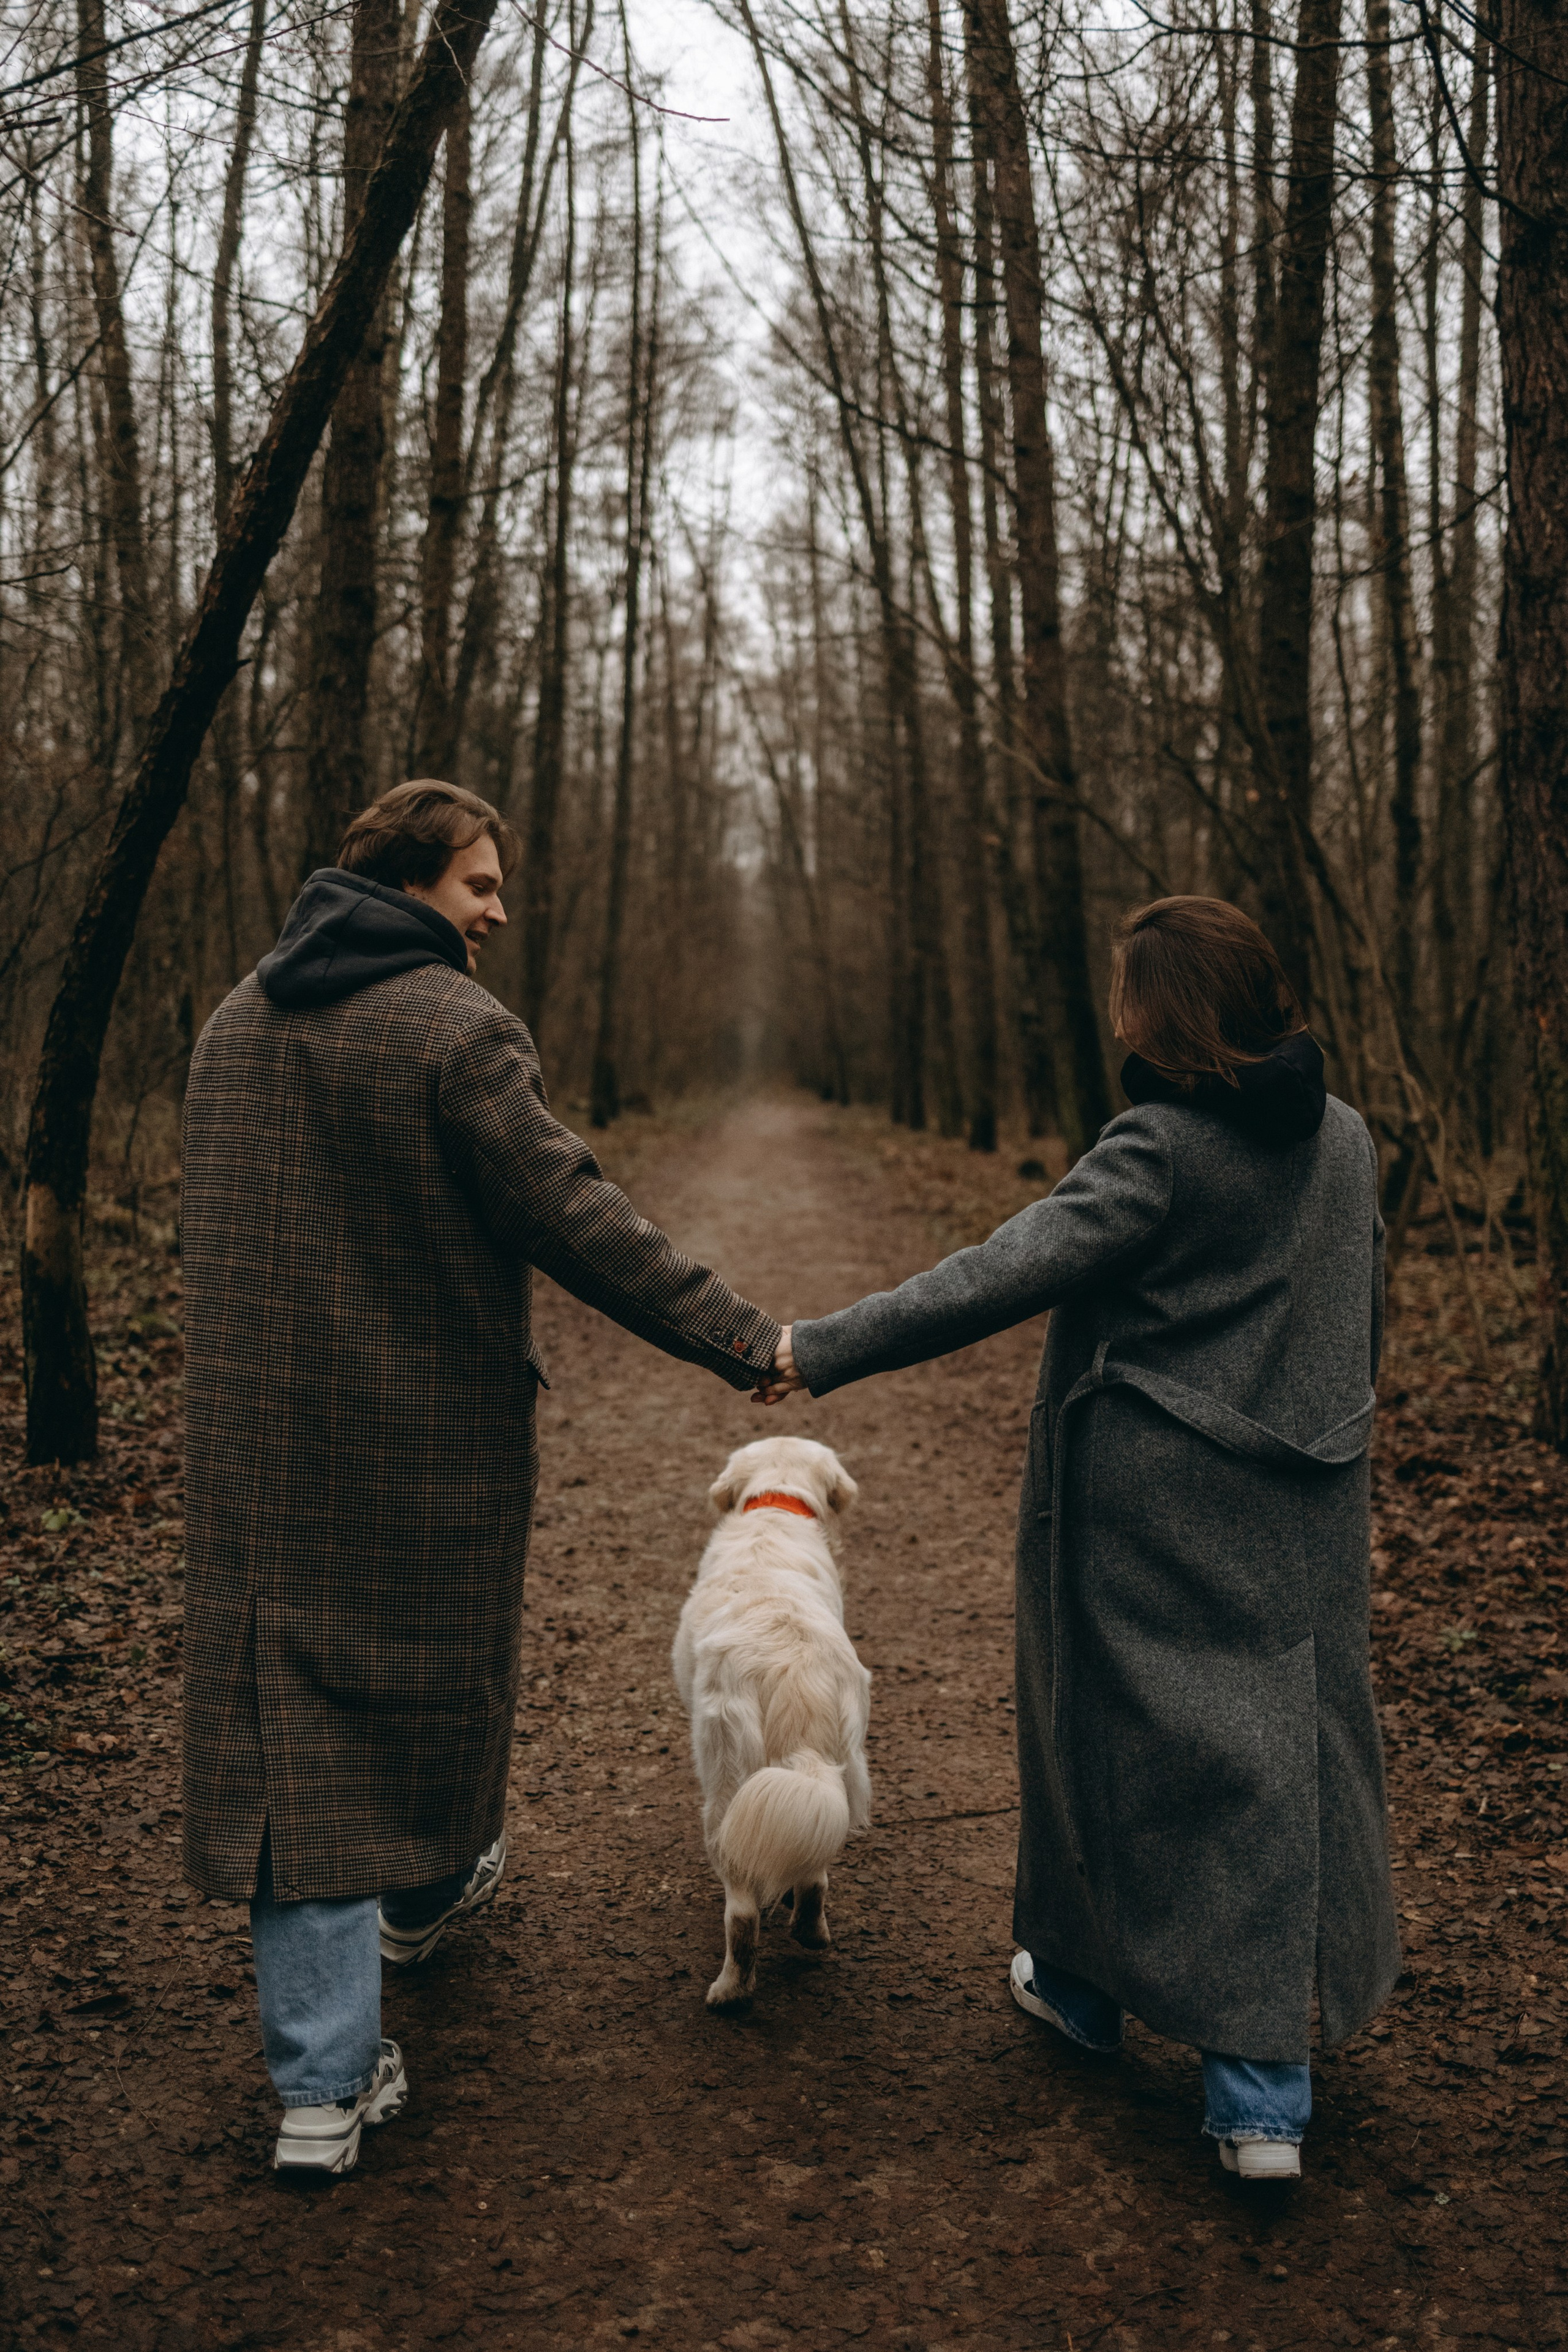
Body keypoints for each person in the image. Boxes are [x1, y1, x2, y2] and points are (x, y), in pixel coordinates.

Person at [181, 779, 780, 2176]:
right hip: (421, 1436)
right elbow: (575, 1216)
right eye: (478, 884)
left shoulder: (232, 1022)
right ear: (403, 883)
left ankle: (320, 2087)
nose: (498, 910)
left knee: (291, 1731)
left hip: (256, 1455)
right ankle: (419, 1901)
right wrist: (743, 1338)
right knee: (439, 1675)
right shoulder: (453, 1025)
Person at [758, 896, 1400, 2181]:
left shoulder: (1156, 1145)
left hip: (1148, 1502)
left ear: (1163, 1019)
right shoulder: (1344, 1140)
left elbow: (999, 1270)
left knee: (1105, 1734)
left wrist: (809, 1350)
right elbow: (1356, 1308)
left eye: (1128, 998)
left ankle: (1088, 1997)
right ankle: (1258, 2092)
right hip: (1305, 1498)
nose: (1113, 1017)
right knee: (1280, 1757)